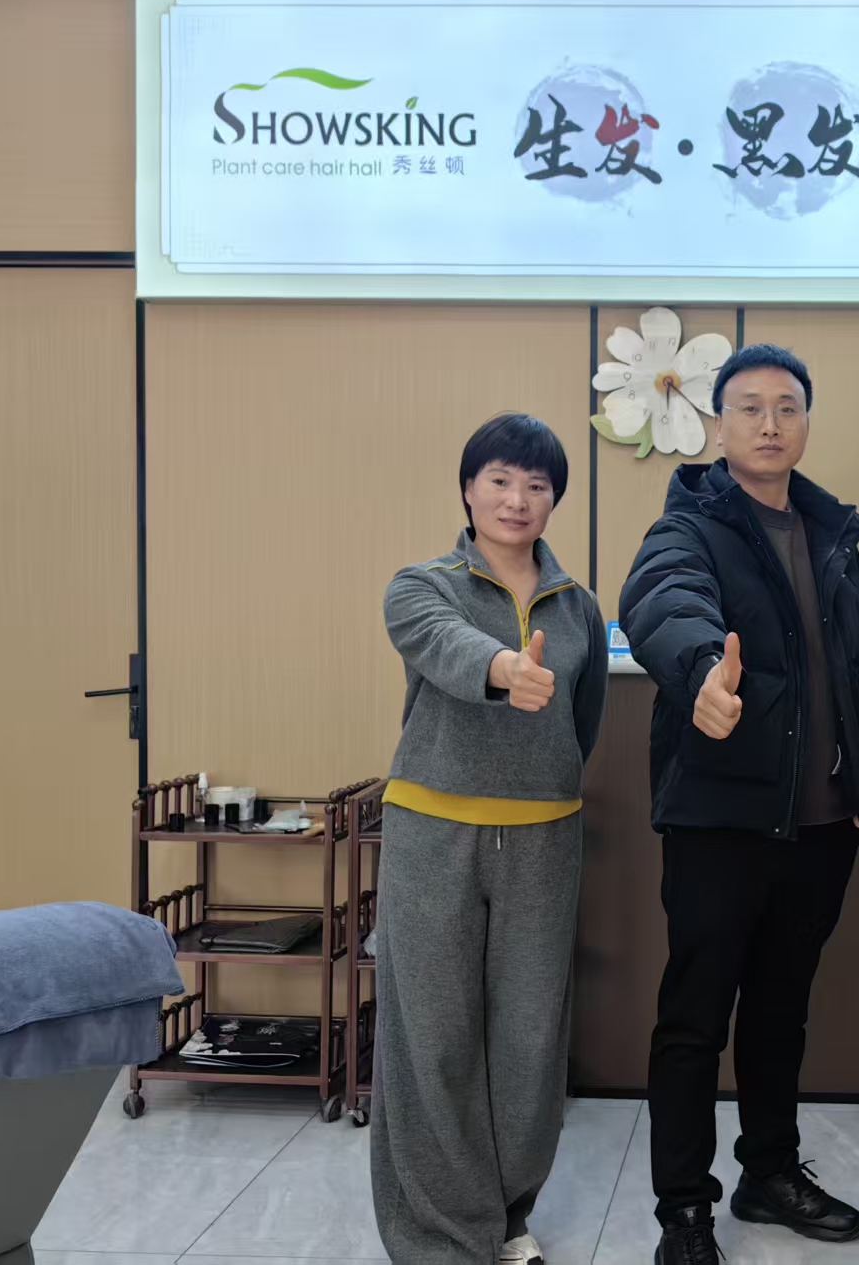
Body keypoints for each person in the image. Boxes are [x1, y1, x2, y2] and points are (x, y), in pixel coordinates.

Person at [619, 343, 859, 1265]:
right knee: (695, 1018)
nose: (770, 424)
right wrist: (700, 671)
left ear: (806, 421)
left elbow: (854, 669)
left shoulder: (834, 534)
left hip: (820, 826)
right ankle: (684, 1212)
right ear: (719, 423)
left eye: (787, 407)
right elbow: (662, 600)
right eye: (749, 407)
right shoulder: (689, 523)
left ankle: (768, 1171)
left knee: (780, 1010)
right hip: (720, 819)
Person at [371, 413, 609, 1265]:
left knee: (529, 1042)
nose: (517, 499)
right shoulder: (420, 585)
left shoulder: (578, 606)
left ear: (554, 500)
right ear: (468, 488)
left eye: (537, 485)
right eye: (500, 479)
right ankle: (439, 1234)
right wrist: (505, 669)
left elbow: (585, 719)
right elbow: (442, 646)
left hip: (543, 841)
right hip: (432, 833)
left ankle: (506, 1214)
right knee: (432, 1035)